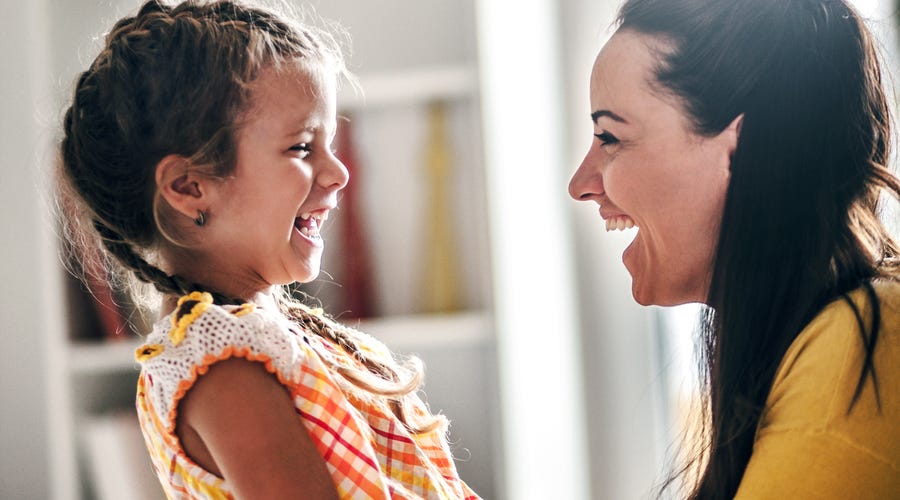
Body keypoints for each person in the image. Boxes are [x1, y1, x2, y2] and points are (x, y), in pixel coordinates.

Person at [57, 1, 480, 498]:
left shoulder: (269, 337)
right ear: (190, 186)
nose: (339, 173)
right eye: (302, 147)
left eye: (330, 142)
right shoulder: (223, 367)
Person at [568, 0, 900, 498]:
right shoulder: (815, 342)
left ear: (740, 147)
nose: (581, 184)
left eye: (611, 137)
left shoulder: (862, 348)